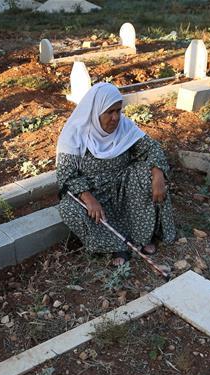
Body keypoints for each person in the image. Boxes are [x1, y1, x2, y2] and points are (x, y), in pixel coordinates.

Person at [56, 82, 175, 266]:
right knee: (68, 209)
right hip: (94, 192)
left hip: (124, 188)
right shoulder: (76, 133)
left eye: (118, 111)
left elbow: (151, 148)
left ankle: (142, 235)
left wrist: (158, 175)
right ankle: (115, 244)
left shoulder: (125, 127)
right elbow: (66, 175)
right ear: (96, 112)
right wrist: (88, 198)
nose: (115, 117)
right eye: (109, 112)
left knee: (147, 173)